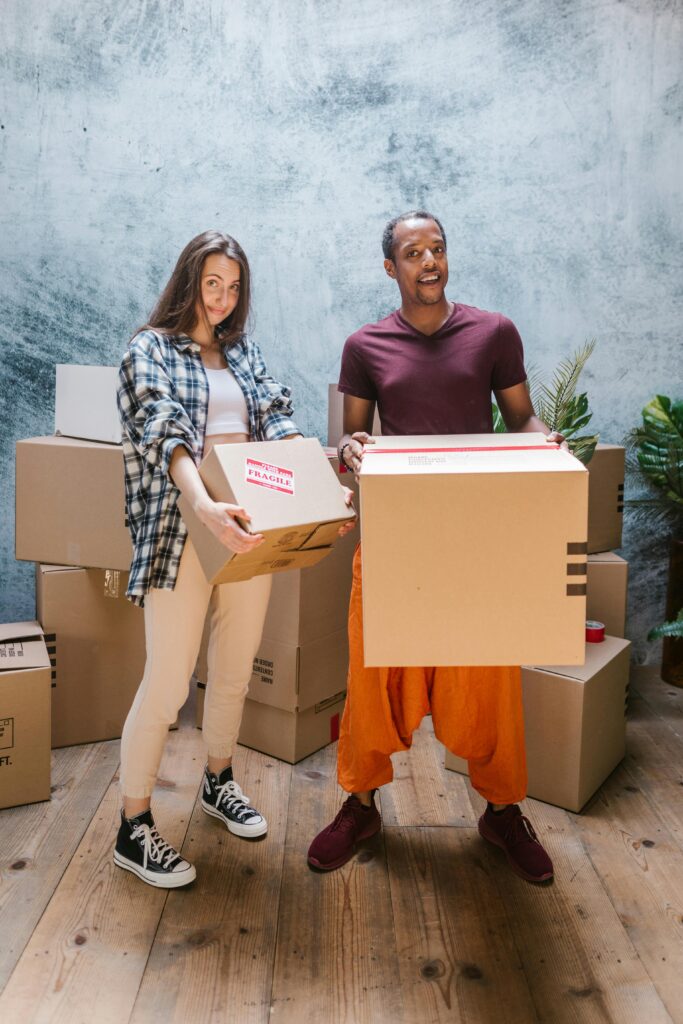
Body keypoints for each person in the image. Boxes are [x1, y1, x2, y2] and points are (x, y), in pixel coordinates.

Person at [307, 211, 564, 883]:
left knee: (488, 680)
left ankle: (502, 810)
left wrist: (543, 440)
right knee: (372, 676)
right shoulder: (364, 345)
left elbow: (521, 418)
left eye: (438, 249)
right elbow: (350, 439)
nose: (429, 261)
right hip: (395, 537)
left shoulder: (493, 332)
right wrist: (350, 449)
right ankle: (361, 804)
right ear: (390, 267)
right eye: (413, 252)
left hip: (474, 538)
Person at [114, 230, 305, 888]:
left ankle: (217, 781)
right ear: (188, 281)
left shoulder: (242, 352)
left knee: (232, 671)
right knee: (168, 683)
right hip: (182, 529)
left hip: (247, 528)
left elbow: (275, 417)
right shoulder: (149, 350)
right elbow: (164, 431)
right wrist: (204, 507)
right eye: (211, 284)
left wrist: (314, 485)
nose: (222, 299)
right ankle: (133, 826)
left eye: (233, 287)